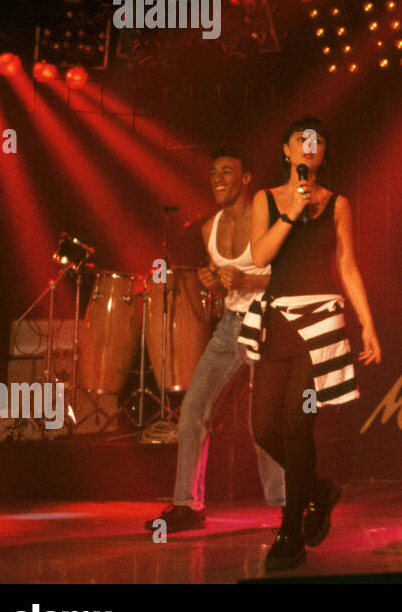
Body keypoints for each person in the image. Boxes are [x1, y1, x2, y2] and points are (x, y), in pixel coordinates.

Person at [240, 117, 381, 570]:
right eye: (301, 141)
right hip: (279, 319)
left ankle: (291, 529)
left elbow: (348, 265)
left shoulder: (338, 203)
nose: (309, 147)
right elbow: (260, 256)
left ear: (323, 153)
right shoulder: (266, 199)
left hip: (320, 324)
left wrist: (367, 324)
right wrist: (292, 213)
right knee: (264, 427)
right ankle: (318, 489)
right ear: (286, 150)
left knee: (297, 425)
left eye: (318, 141)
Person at [147, 149, 285, 533]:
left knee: (264, 421)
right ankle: (186, 506)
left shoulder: (268, 218)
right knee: (192, 409)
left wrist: (248, 282)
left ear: (246, 178)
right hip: (229, 326)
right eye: (213, 173)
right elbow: (218, 276)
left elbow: (291, 277)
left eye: (227, 171)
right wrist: (210, 279)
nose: (217, 178)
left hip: (268, 323)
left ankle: (287, 505)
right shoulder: (210, 228)